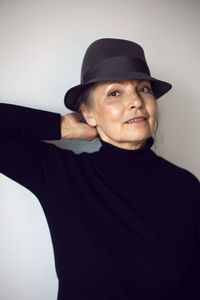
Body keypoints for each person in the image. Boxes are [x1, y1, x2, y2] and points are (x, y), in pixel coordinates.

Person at [0, 38, 199, 300]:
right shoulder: (61, 175)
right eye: (115, 93)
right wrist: (61, 126)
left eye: (143, 89)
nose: (136, 102)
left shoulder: (186, 187)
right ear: (89, 113)